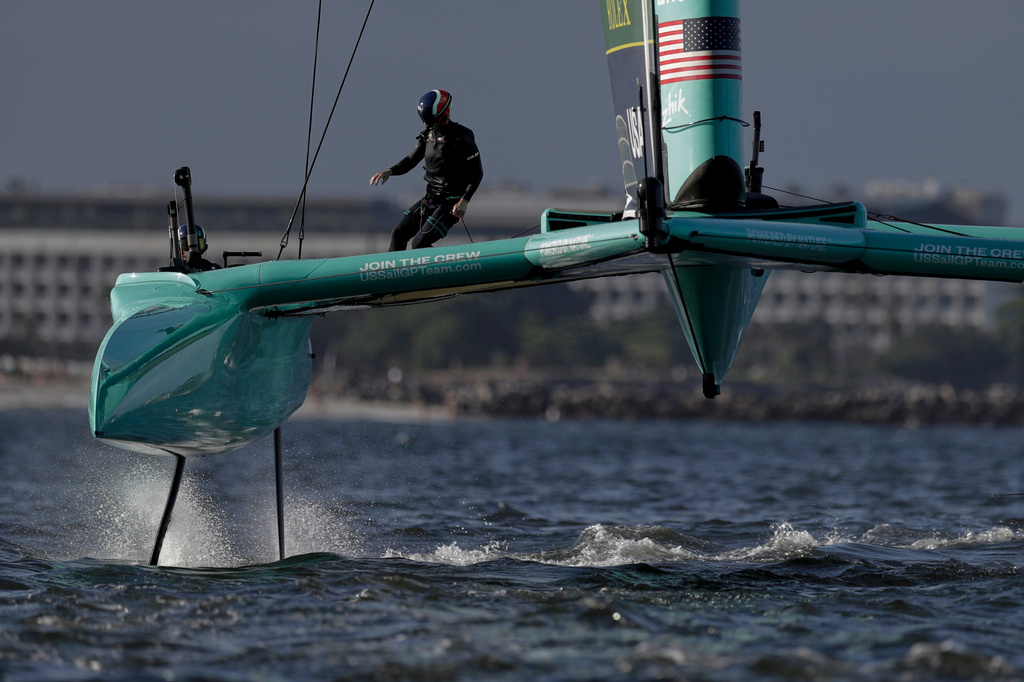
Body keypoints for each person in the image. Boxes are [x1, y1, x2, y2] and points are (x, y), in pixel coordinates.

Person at [369, 89, 483, 252]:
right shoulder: (428, 135)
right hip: (430, 198)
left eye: (429, 119)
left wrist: (464, 201)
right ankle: (394, 274)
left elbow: (477, 173)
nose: (425, 123)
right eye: (423, 119)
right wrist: (390, 171)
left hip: (451, 203)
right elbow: (410, 161)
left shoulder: (461, 138)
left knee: (419, 244)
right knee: (398, 234)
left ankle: (448, 270)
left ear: (444, 114)